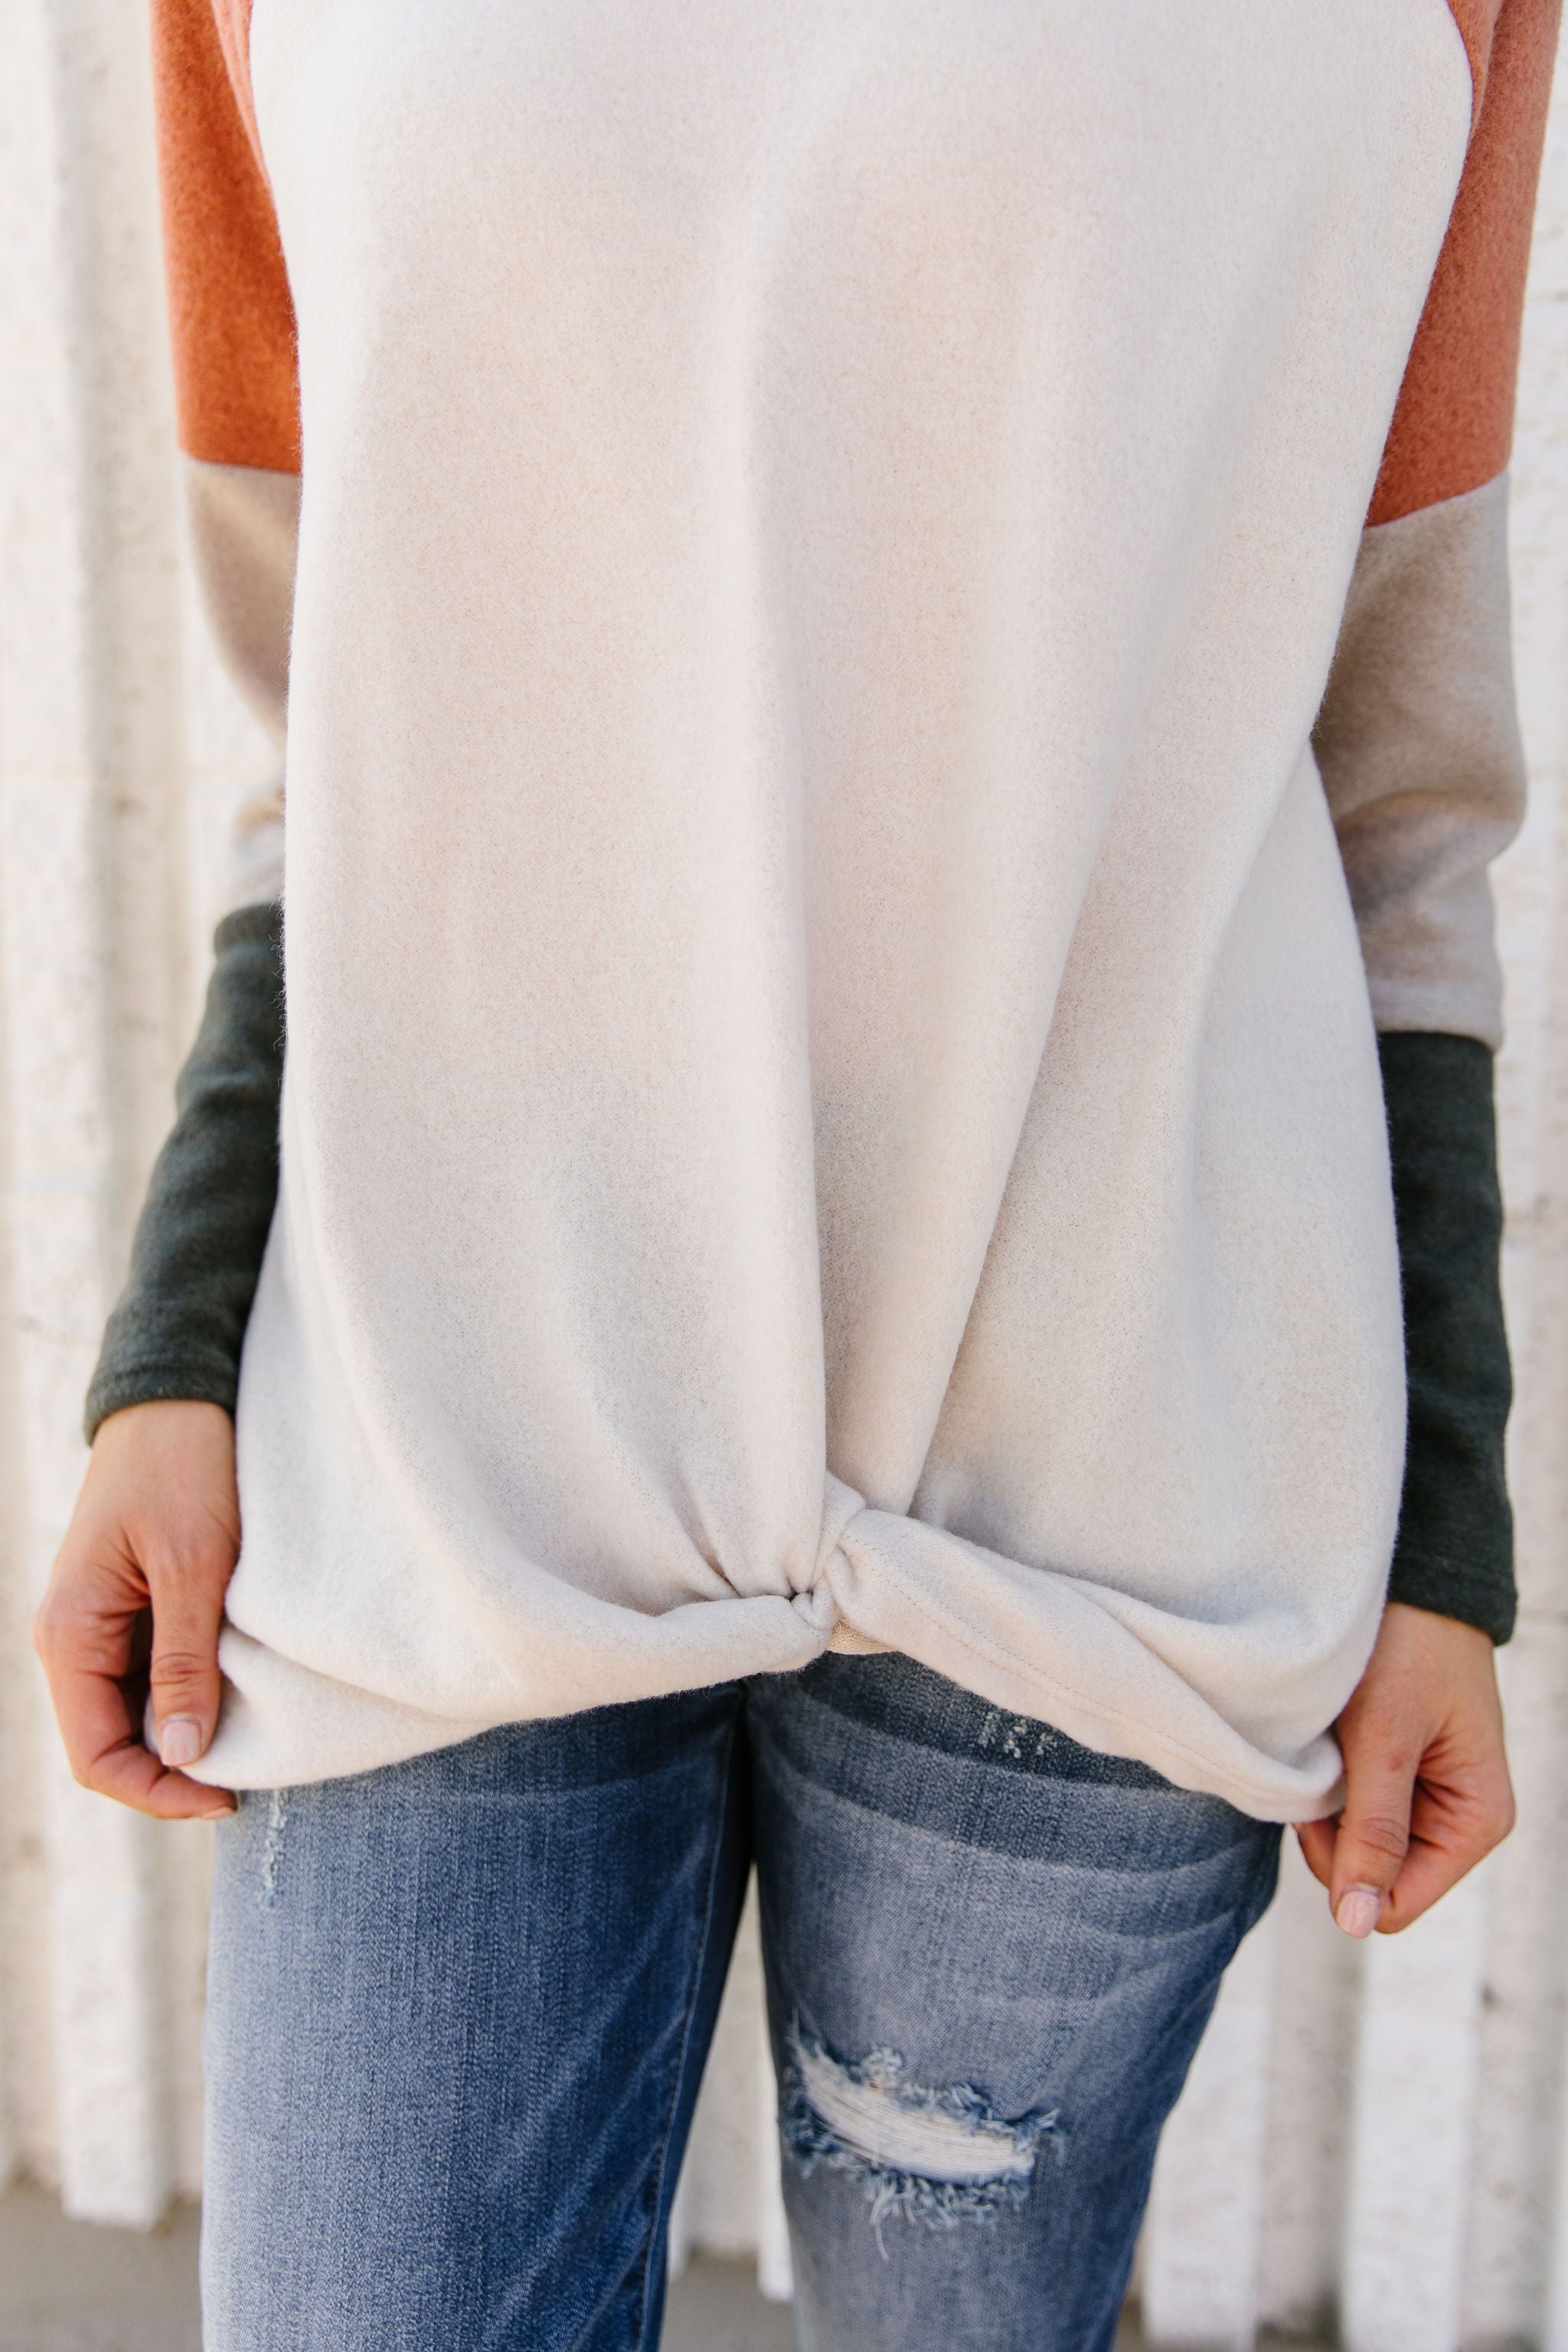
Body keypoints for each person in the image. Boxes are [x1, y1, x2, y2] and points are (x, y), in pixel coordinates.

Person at [34, 2, 1554, 2344]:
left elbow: (1395, 791)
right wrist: (177, 1336)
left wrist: (1445, 1506)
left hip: (1095, 1514)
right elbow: (333, 714)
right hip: (446, 1447)